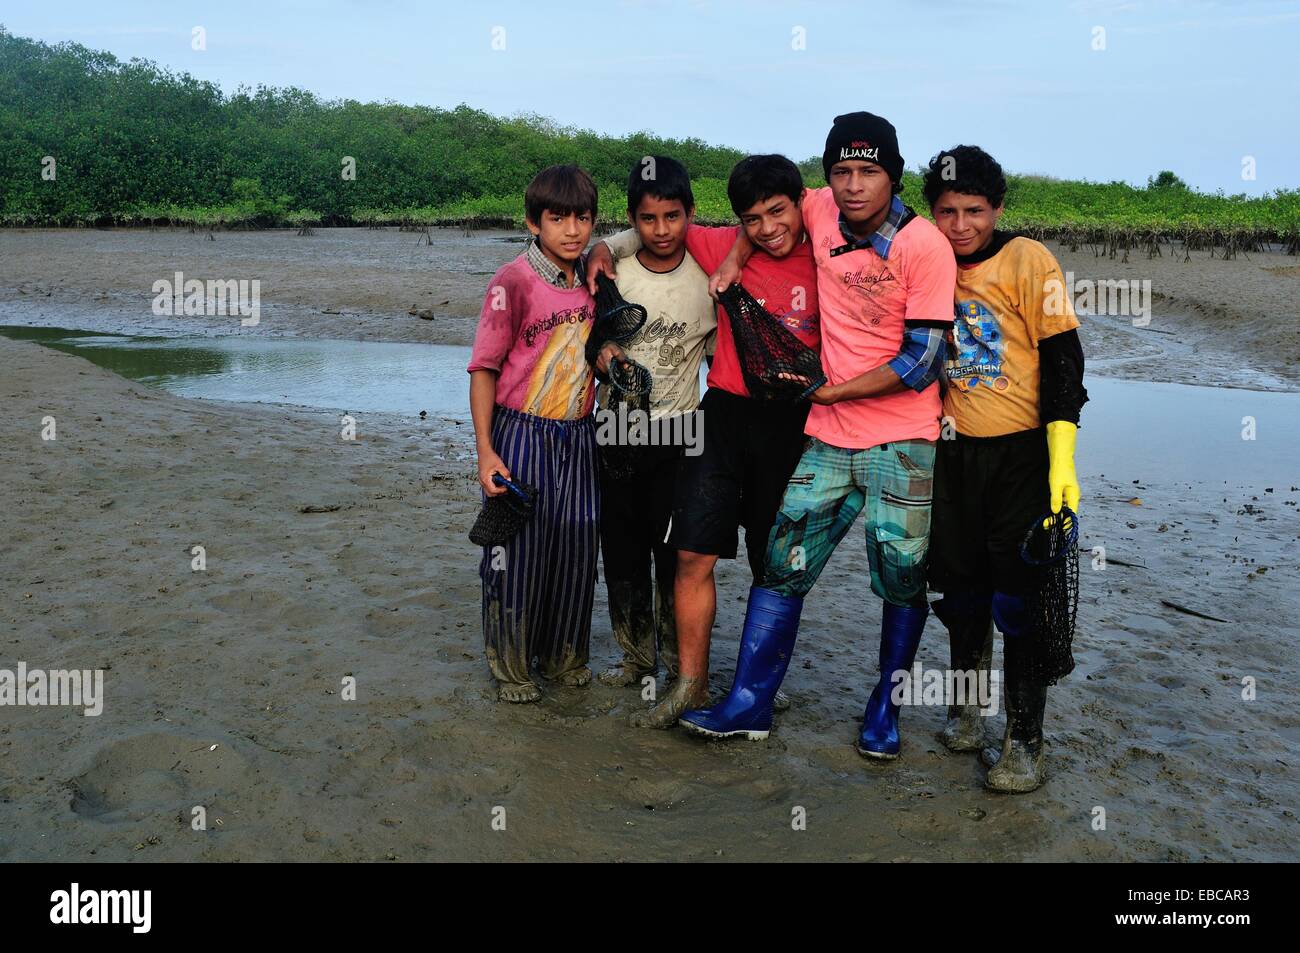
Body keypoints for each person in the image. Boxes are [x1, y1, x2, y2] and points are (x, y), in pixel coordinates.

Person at [679, 113, 956, 758]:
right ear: (827, 176)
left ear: (894, 172)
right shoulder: (819, 207)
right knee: (781, 564)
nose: (854, 186)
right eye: (842, 171)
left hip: (904, 440)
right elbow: (759, 215)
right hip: (828, 438)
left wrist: (832, 390)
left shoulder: (925, 247)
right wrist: (736, 260)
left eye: (869, 171)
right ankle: (749, 703)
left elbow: (922, 361)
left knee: (902, 577)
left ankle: (884, 711)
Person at [588, 154, 820, 727]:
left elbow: (827, 200)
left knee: (749, 556)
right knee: (654, 550)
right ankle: (661, 671)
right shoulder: (652, 261)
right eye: (751, 218)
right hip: (664, 425)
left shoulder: (809, 256)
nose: (661, 229)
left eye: (778, 211)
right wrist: (600, 249)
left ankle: (745, 679)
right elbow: (623, 256)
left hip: (740, 426)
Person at [923, 144, 1087, 792]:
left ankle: (1024, 739)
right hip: (952, 454)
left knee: (1019, 601)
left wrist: (1062, 463)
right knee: (961, 595)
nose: (960, 225)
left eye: (974, 211)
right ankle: (966, 712)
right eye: (947, 211)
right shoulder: (927, 260)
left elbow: (1064, 365)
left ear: (997, 208)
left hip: (1021, 454)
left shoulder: (1028, 261)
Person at [466, 164, 601, 703]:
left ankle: (565, 657)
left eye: (583, 218)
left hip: (580, 435)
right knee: (517, 555)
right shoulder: (512, 281)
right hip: (520, 434)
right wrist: (486, 451)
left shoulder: (594, 278)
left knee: (574, 550)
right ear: (533, 222)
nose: (572, 229)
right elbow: (484, 369)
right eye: (558, 218)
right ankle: (514, 669)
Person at [587, 156, 716, 690]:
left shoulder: (709, 278)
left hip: (679, 433)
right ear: (631, 220)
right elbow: (589, 341)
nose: (661, 230)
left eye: (672, 216)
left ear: (690, 214)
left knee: (676, 554)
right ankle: (636, 658)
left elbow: (716, 359)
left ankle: (676, 658)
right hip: (616, 430)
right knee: (621, 550)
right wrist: (604, 357)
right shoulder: (612, 273)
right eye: (647, 219)